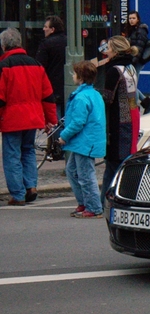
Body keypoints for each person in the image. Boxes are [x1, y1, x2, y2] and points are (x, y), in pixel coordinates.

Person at [0, 27, 57, 206]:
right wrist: (51, 120)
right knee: (28, 152)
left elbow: (1, 98)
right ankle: (31, 186)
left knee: (12, 155)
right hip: (32, 117)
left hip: (12, 118)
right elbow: (47, 95)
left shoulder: (4, 66)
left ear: (4, 46)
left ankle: (17, 194)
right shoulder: (36, 64)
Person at [58, 61, 106, 218]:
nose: (72, 75)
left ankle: (93, 207)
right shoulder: (94, 94)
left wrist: (64, 136)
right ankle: (85, 202)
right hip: (87, 141)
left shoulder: (81, 97)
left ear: (80, 77)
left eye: (74, 73)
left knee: (85, 175)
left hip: (85, 142)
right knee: (72, 171)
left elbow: (78, 122)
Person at [100, 35, 140, 204]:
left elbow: (108, 98)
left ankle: (105, 201)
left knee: (113, 162)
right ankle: (128, 195)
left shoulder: (114, 70)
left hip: (118, 119)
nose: (105, 51)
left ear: (115, 50)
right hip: (132, 116)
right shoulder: (130, 67)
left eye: (108, 48)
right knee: (126, 158)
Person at [35, 15, 67, 125]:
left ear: (52, 29)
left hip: (52, 87)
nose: (43, 29)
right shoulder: (69, 42)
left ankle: (56, 141)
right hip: (68, 86)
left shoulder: (46, 44)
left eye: (46, 27)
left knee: (55, 121)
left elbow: (40, 67)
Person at [123, 11, 150, 114]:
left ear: (138, 19)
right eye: (130, 18)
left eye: (133, 18)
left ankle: (135, 107)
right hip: (133, 60)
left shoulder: (140, 30)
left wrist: (133, 61)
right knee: (132, 84)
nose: (131, 20)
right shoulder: (133, 30)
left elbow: (139, 48)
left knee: (132, 85)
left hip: (136, 61)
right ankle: (146, 103)